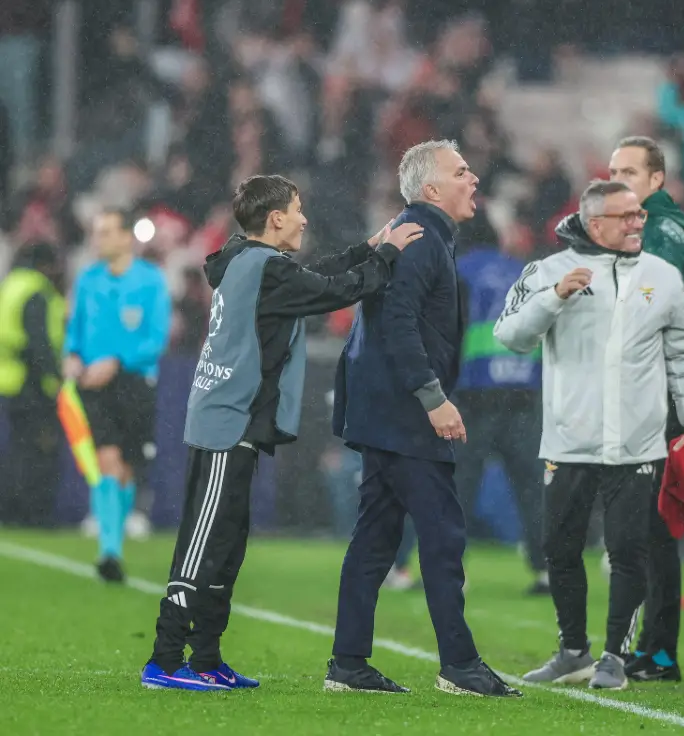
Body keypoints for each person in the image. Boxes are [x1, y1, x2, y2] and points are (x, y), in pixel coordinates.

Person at [140, 174, 423, 692]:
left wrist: (369, 246)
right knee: (204, 542)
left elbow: (310, 275)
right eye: (297, 209)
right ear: (275, 219)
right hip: (228, 419)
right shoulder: (265, 269)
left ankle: (204, 657)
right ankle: (164, 658)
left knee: (226, 542)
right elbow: (334, 290)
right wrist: (385, 258)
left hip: (236, 418)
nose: (304, 218)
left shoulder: (252, 261)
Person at [495, 179, 684, 691]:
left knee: (628, 550)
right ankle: (573, 650)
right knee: (559, 548)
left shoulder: (662, 275)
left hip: (637, 443)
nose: (640, 222)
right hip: (569, 440)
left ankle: (613, 656)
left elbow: (683, 354)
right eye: (628, 216)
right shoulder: (548, 271)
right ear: (596, 225)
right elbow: (510, 335)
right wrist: (553, 297)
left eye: (640, 214)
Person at [329, 139, 521, 699]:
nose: (474, 179)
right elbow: (399, 324)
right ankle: (459, 665)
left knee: (376, 538)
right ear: (432, 189)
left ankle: (348, 663)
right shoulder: (419, 238)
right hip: (404, 414)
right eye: (462, 172)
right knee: (441, 536)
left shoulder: (414, 233)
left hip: (383, 410)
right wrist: (432, 397)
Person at [608, 135, 684, 681]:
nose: (618, 179)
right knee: (647, 527)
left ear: (656, 180)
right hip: (652, 392)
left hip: (656, 395)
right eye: (613, 170)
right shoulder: (641, 229)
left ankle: (656, 649)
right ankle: (653, 648)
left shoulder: (658, 231)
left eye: (630, 172)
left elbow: (650, 304)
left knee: (648, 528)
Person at [64, 208, 171, 583]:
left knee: (126, 468)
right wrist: (73, 358)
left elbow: (156, 339)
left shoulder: (151, 281)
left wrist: (117, 360)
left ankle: (114, 543)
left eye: (107, 231)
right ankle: (109, 551)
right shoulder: (88, 280)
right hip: (94, 386)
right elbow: (73, 332)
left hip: (135, 382)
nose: (100, 239)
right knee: (106, 460)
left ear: (127, 237)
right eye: (97, 232)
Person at [453, 211, 548, 595]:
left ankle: (453, 570)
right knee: (533, 487)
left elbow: (449, 329)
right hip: (524, 393)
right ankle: (547, 570)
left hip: (475, 394)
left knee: (459, 486)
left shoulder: (459, 271)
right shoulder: (524, 272)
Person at [0, 242, 64, 527]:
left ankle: (11, 512)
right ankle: (32, 514)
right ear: (46, 264)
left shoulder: (11, 284)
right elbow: (38, 342)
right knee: (37, 450)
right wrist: (54, 377)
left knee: (17, 450)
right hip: (31, 383)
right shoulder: (36, 290)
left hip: (8, 379)